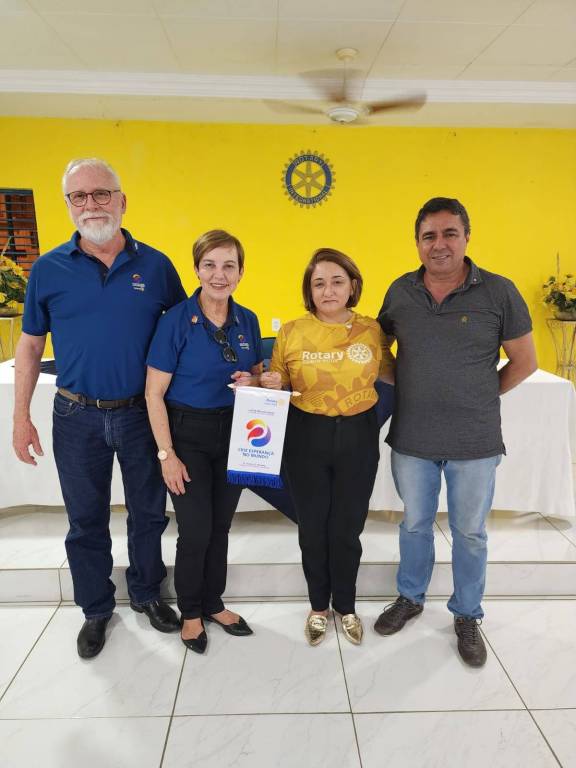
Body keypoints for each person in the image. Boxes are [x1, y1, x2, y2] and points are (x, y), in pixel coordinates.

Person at [12, 158, 187, 659]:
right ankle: (95, 608)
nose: (90, 204)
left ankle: (148, 593)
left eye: (101, 193)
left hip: (141, 415)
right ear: (69, 205)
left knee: (148, 514)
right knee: (85, 520)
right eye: (79, 196)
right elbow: (30, 346)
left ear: (122, 200)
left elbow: (183, 334)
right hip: (75, 416)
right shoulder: (48, 269)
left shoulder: (157, 267)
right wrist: (20, 416)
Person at [374, 197, 537, 667]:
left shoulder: (499, 292)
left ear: (467, 236)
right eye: (429, 236)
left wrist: (481, 394)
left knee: (469, 532)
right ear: (417, 243)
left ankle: (467, 614)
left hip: (475, 442)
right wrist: (404, 384)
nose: (439, 244)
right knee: (414, 524)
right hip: (413, 438)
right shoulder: (400, 291)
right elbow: (376, 350)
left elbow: (525, 361)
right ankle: (410, 598)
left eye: (449, 233)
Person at [263, 248, 395, 646]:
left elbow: (395, 374)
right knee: (312, 527)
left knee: (347, 528)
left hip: (358, 435)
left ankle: (346, 606)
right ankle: (319, 606)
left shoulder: (372, 330)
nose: (328, 290)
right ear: (309, 290)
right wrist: (270, 382)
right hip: (306, 436)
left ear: (352, 285)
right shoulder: (291, 331)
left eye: (337, 281)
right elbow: (279, 381)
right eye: (319, 283)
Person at [145, 229, 262, 654]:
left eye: (229, 265)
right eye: (210, 265)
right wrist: (167, 455)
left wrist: (253, 380)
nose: (219, 274)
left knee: (221, 525)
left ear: (241, 272)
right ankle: (191, 611)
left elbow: (257, 374)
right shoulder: (175, 321)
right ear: (196, 270)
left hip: (234, 432)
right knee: (195, 529)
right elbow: (153, 393)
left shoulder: (247, 320)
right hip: (187, 433)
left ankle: (214, 602)